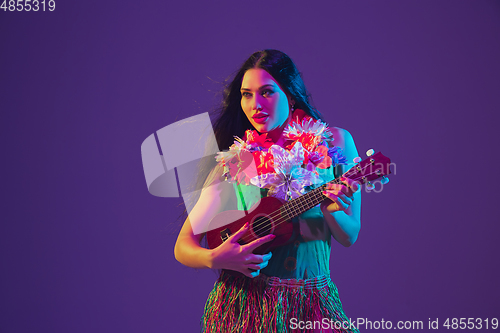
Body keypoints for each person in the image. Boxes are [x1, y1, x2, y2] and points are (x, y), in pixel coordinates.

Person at [174, 49, 361, 333]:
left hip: (313, 305)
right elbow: (183, 245)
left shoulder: (335, 143)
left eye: (266, 92)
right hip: (245, 308)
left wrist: (328, 209)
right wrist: (215, 258)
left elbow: (349, 236)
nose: (255, 104)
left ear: (291, 94)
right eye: (246, 94)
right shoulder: (235, 163)